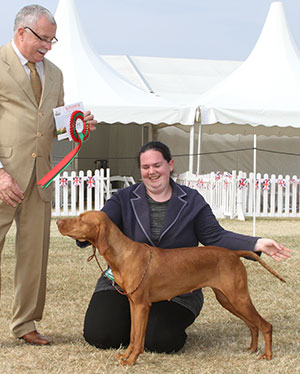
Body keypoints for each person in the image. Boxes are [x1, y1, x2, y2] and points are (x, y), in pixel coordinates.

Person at [81, 141, 290, 353]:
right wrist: (79, 232)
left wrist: (256, 243)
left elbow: (215, 236)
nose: (151, 172)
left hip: (178, 285)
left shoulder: (191, 200)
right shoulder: (123, 198)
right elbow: (99, 225)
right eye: (145, 167)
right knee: (101, 334)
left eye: (157, 165)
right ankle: (133, 328)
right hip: (122, 283)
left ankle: (144, 329)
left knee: (161, 340)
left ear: (170, 165)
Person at [0, 5, 97, 345]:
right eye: (43, 38)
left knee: (33, 257)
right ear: (20, 33)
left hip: (41, 179)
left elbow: (54, 126)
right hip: (3, 179)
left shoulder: (54, 73)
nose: (49, 46)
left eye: (52, 39)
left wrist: (78, 125)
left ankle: (26, 324)